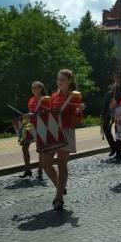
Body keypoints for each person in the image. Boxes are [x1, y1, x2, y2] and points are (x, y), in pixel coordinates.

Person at [40, 69, 84, 211]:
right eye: (58, 79)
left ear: (69, 81)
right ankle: (60, 185)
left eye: (63, 79)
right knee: (45, 162)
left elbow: (78, 119)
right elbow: (49, 114)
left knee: (61, 163)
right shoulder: (53, 96)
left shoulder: (75, 97)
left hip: (66, 131)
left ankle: (59, 197)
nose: (60, 82)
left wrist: (78, 111)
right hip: (53, 131)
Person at [18, 81, 46, 179]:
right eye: (32, 88)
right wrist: (26, 117)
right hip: (29, 124)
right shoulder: (31, 100)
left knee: (40, 149)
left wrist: (32, 115)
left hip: (40, 125)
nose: (33, 90)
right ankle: (27, 170)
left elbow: (46, 113)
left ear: (41, 89)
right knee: (24, 147)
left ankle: (40, 170)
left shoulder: (45, 99)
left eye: (36, 88)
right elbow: (31, 113)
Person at [101, 71, 121, 162]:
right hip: (109, 112)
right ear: (113, 77)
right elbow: (106, 100)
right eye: (115, 76)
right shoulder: (110, 87)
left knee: (118, 133)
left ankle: (119, 154)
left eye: (119, 76)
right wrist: (102, 113)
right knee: (105, 129)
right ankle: (113, 148)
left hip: (120, 112)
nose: (117, 78)